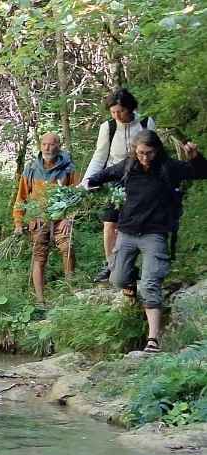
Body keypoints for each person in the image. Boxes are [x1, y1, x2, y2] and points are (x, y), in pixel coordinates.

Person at [87, 130, 206, 353]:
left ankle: (153, 340)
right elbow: (103, 175)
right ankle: (131, 284)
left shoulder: (168, 167)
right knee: (118, 279)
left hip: (154, 234)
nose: (144, 157)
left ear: (156, 150)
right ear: (135, 151)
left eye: (148, 153)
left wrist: (195, 157)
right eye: (140, 153)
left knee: (150, 285)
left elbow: (202, 172)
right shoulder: (128, 166)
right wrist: (89, 183)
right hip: (127, 232)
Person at [80, 89, 156, 282]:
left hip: (141, 179)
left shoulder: (146, 123)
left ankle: (137, 265)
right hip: (114, 177)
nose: (117, 116)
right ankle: (112, 265)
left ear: (129, 108)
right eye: (113, 112)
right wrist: (88, 179)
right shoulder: (109, 127)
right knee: (110, 223)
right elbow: (100, 155)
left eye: (120, 111)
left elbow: (155, 153)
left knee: (139, 223)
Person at [12, 132, 81, 304]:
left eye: (51, 144)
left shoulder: (68, 168)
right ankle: (40, 301)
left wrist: (69, 217)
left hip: (61, 218)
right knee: (39, 257)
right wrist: (19, 222)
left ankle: (70, 292)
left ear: (59, 146)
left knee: (67, 249)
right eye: (44, 144)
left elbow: (76, 195)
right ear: (40, 145)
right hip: (38, 220)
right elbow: (21, 198)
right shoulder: (31, 168)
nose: (47, 148)